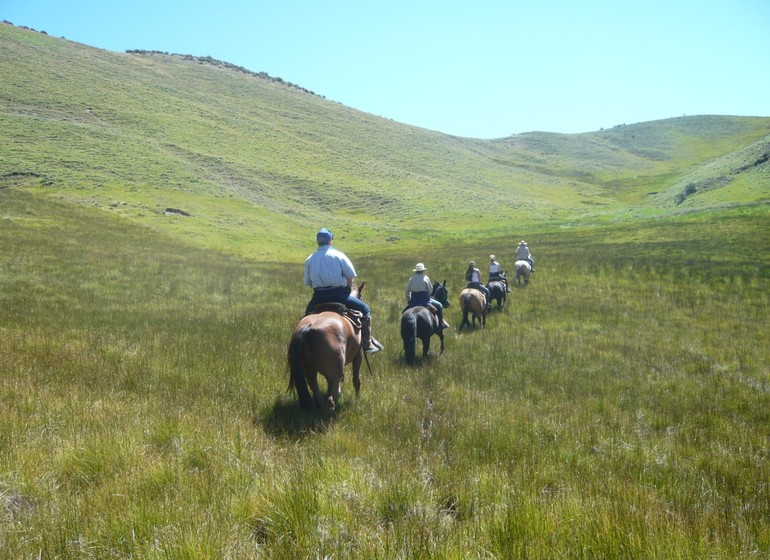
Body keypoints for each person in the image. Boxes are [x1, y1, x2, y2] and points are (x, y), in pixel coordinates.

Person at [304, 227, 383, 353]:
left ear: (318, 241)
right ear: (331, 240)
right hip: (338, 295)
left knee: (305, 317)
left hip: (318, 296)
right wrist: (347, 290)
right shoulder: (338, 255)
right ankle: (367, 343)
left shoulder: (309, 259)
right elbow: (350, 277)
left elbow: (308, 283)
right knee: (365, 309)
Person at [404, 263, 449, 329]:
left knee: (404, 313)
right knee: (439, 305)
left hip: (413, 302)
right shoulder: (426, 278)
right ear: (423, 270)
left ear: (416, 271)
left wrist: (409, 299)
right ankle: (440, 324)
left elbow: (406, 291)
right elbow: (430, 290)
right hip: (425, 301)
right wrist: (426, 296)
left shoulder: (411, 279)